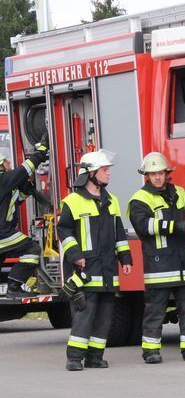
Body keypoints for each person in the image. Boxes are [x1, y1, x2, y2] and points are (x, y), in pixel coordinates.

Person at [128, 152, 185, 363]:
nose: (157, 177)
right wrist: (175, 226)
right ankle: (150, 351)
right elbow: (143, 226)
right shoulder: (139, 199)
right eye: (153, 174)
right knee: (155, 310)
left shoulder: (178, 192)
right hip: (159, 265)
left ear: (166, 173)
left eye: (160, 173)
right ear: (147, 175)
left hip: (183, 263)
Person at [58, 150, 132, 371]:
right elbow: (64, 232)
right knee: (84, 314)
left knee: (105, 317)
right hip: (86, 269)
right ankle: (74, 358)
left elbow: (119, 234)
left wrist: (125, 258)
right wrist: (76, 256)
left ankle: (95, 357)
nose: (109, 173)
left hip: (108, 270)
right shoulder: (72, 202)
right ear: (91, 173)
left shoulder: (112, 201)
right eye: (104, 170)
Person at [0, 135, 49, 299]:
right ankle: (14, 287)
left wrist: (25, 191)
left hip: (3, 231)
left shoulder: (5, 184)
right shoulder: (3, 179)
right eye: (5, 161)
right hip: (2, 232)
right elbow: (25, 168)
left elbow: (12, 202)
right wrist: (41, 151)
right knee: (32, 249)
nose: (9, 162)